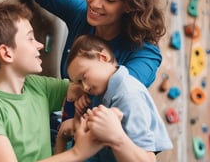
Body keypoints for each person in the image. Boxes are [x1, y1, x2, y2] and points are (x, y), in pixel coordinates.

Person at [9, 0, 166, 143]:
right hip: (64, 129)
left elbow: (121, 95)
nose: (95, 3)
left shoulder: (145, 54)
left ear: (130, 5)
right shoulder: (83, 16)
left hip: (99, 143)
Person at [0, 2, 106, 162]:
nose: (40, 45)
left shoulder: (36, 86)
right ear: (6, 53)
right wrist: (78, 153)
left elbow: (83, 87)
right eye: (30, 38)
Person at [57, 34, 173, 162]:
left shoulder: (128, 96)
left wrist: (116, 137)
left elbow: (147, 159)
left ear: (103, 58)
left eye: (84, 76)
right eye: (78, 82)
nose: (84, 87)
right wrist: (80, 115)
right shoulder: (101, 90)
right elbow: (86, 141)